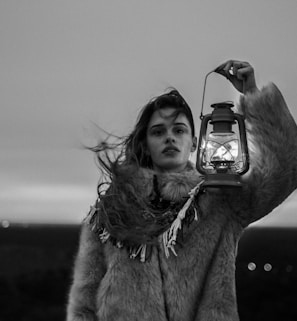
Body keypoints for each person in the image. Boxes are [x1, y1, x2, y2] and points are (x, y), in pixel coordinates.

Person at [66, 60, 297, 321]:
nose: (169, 138)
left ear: (195, 142)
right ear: (145, 142)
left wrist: (253, 94)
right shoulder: (110, 211)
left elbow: (284, 171)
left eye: (179, 130)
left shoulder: (222, 200)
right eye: (158, 131)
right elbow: (83, 304)